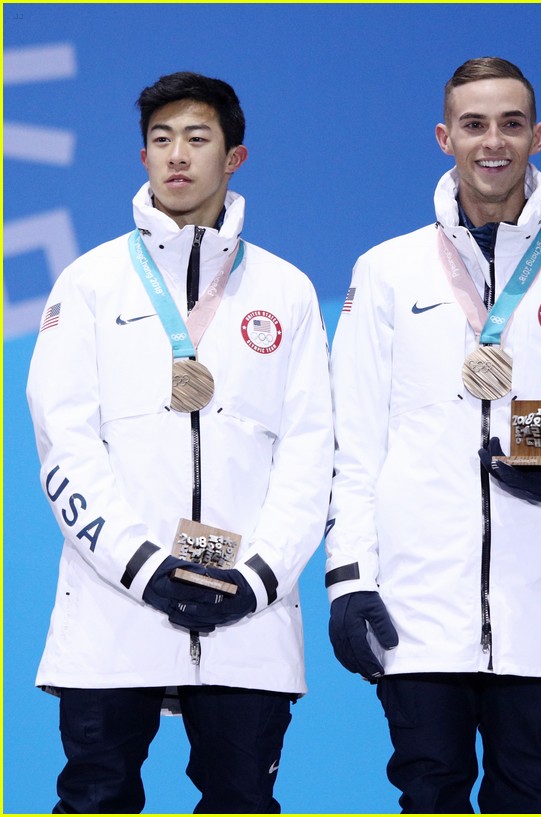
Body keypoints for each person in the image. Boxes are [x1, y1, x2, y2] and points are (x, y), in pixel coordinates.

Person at [324, 57, 541, 813]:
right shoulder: (388, 270)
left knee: (529, 799)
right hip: (418, 607)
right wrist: (348, 576)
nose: (491, 141)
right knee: (428, 795)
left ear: (538, 136)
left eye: (509, 123)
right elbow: (355, 442)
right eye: (473, 124)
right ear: (444, 137)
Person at [25, 72, 333, 813]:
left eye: (198, 138)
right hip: (111, 606)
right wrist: (142, 567)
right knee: (95, 799)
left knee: (241, 803)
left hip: (248, 615)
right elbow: (64, 443)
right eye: (161, 140)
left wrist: (258, 578)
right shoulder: (90, 281)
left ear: (236, 157)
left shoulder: (287, 291)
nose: (177, 156)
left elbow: (311, 451)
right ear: (143, 159)